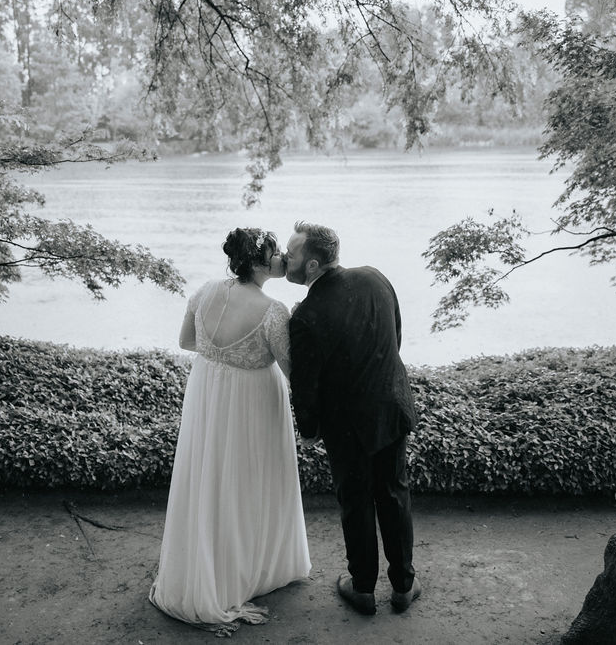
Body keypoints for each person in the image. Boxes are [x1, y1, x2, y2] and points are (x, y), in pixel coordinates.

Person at [149, 227, 311, 632]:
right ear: (259, 262)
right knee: (251, 481)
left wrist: (221, 360)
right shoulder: (273, 311)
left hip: (208, 396)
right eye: (276, 254)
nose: (282, 260)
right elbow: (295, 372)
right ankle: (252, 568)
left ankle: (210, 568)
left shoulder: (204, 291)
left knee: (210, 480)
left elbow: (187, 342)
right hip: (253, 403)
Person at [284, 220, 420, 616]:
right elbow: (394, 336)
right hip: (391, 407)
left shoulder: (306, 315)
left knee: (355, 501)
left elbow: (304, 385)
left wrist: (309, 429)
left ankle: (362, 588)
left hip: (346, 426)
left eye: (292, 254)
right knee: (395, 493)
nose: (285, 260)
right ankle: (403, 586)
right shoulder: (375, 278)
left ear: (311, 265)